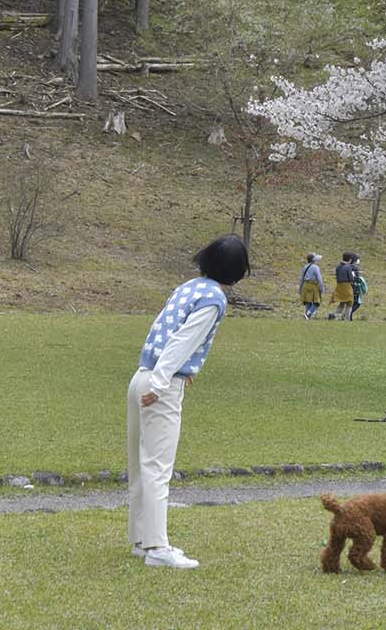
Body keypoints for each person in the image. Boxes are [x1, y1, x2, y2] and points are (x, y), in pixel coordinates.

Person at [128, 235, 251, 570]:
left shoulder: (189, 287)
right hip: (160, 383)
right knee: (157, 467)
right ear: (237, 271)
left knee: (141, 465)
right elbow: (183, 340)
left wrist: (163, 374)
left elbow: (164, 331)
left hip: (142, 374)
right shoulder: (214, 300)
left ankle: (142, 539)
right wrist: (163, 380)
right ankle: (157, 548)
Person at [330, 252, 358, 320]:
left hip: (339, 286)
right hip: (347, 286)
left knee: (342, 302)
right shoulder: (348, 267)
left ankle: (335, 315)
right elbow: (351, 278)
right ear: (350, 260)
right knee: (349, 302)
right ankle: (346, 318)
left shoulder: (338, 266)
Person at [299, 254, 324, 320]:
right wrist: (322, 288)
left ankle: (307, 317)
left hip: (306, 285)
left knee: (308, 302)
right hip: (313, 286)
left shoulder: (305, 267)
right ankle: (308, 314)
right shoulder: (316, 267)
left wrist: (300, 289)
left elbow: (301, 279)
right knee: (317, 302)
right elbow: (319, 279)